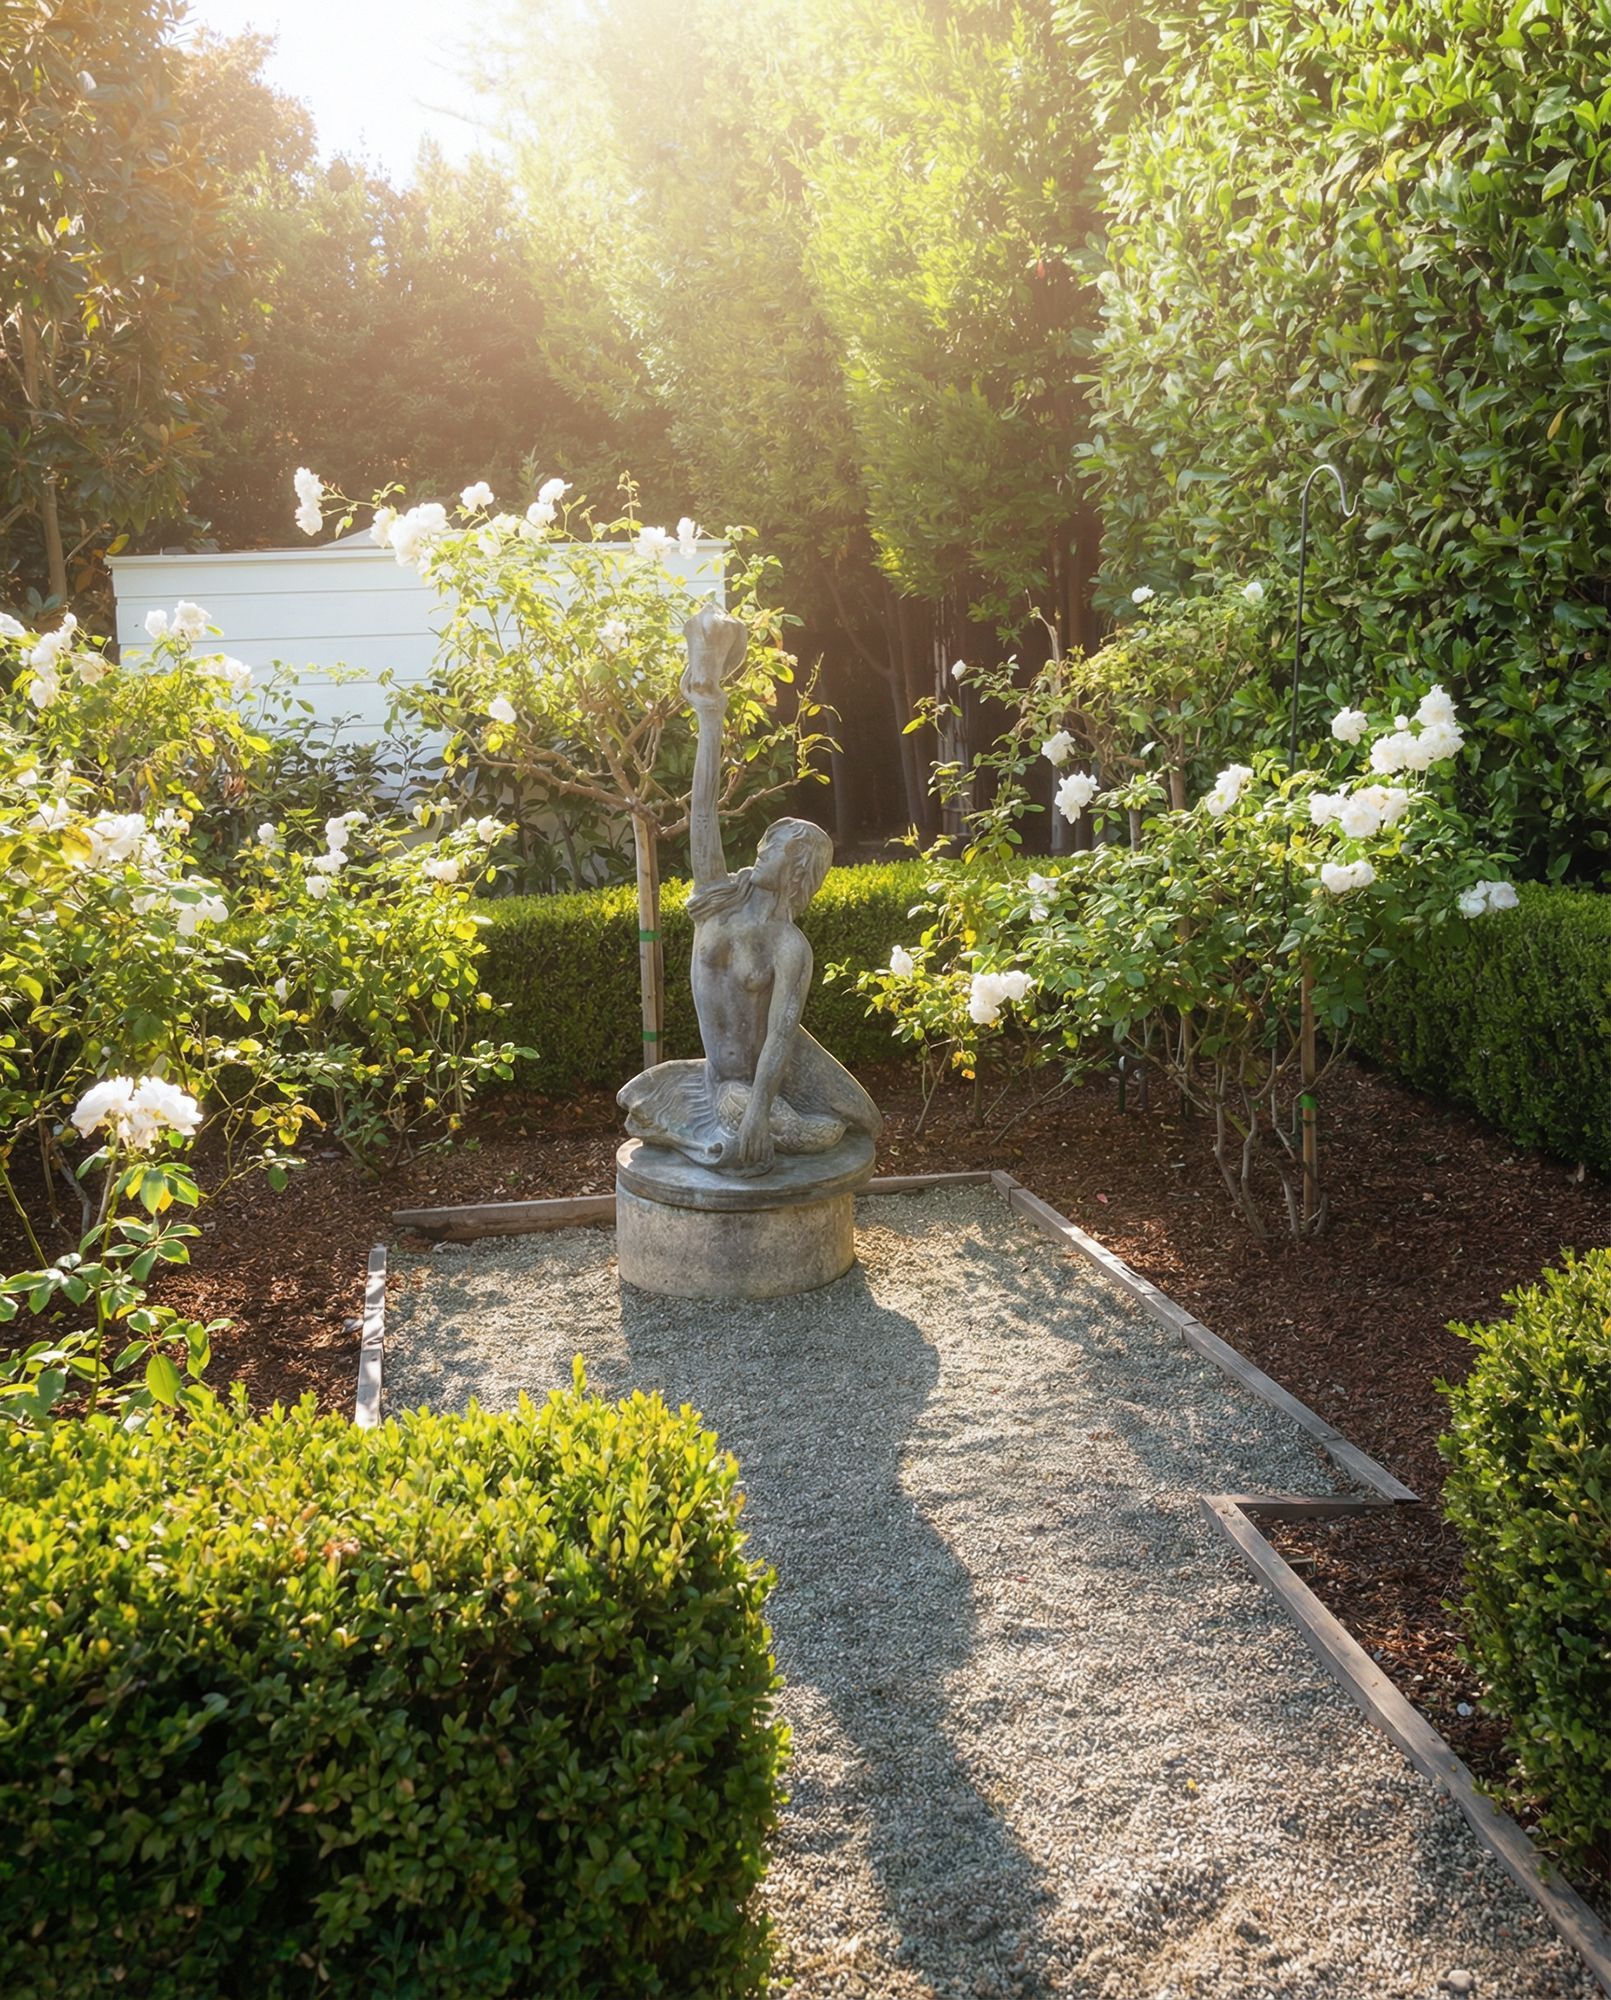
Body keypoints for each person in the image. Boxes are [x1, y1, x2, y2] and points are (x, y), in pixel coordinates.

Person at [617, 604, 882, 1177]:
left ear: (799, 867)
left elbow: (780, 1042)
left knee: (813, 1134)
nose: (761, 847)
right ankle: (714, 1127)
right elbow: (705, 810)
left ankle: (734, 1128)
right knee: (642, 1100)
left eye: (778, 844)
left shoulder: (790, 948)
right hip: (711, 1080)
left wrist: (760, 1114)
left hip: (746, 1089)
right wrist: (710, 717)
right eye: (766, 839)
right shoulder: (718, 896)